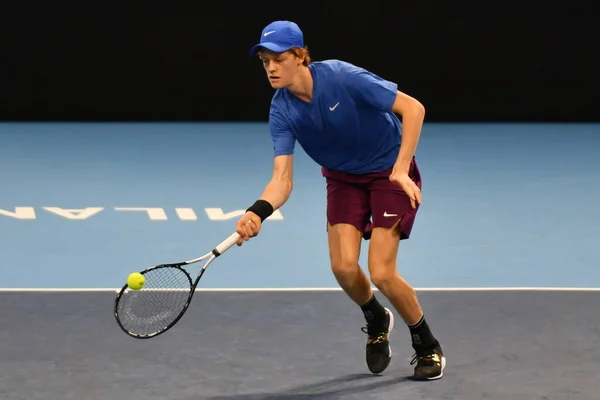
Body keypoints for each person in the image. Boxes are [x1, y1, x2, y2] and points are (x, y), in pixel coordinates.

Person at [235, 20, 446, 381]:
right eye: (264, 61)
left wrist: (399, 169)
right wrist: (257, 212)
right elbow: (282, 181)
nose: (270, 67)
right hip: (343, 180)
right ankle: (376, 318)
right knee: (344, 267)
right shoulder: (281, 110)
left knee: (381, 271)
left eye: (278, 59)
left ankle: (426, 344)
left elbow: (414, 109)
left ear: (300, 56)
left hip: (387, 172)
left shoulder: (342, 77)